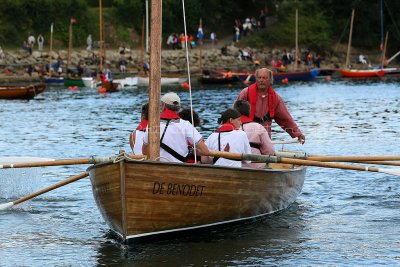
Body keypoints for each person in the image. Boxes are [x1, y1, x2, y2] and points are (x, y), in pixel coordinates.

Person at [236, 68, 305, 143]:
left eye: (265, 78)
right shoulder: (245, 93)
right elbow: (235, 115)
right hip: (246, 137)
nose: (261, 80)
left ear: (270, 80)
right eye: (259, 78)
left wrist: (297, 133)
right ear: (256, 79)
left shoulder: (276, 98)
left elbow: (286, 119)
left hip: (265, 138)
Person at [142, 92, 209, 163]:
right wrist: (190, 150)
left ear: (164, 106)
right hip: (179, 168)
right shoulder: (186, 125)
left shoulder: (152, 124)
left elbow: (145, 151)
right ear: (178, 108)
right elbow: (205, 151)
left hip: (158, 167)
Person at [233, 100, 275, 168]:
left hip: (234, 166)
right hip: (256, 166)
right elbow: (270, 151)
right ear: (249, 112)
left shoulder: (229, 128)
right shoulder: (258, 127)